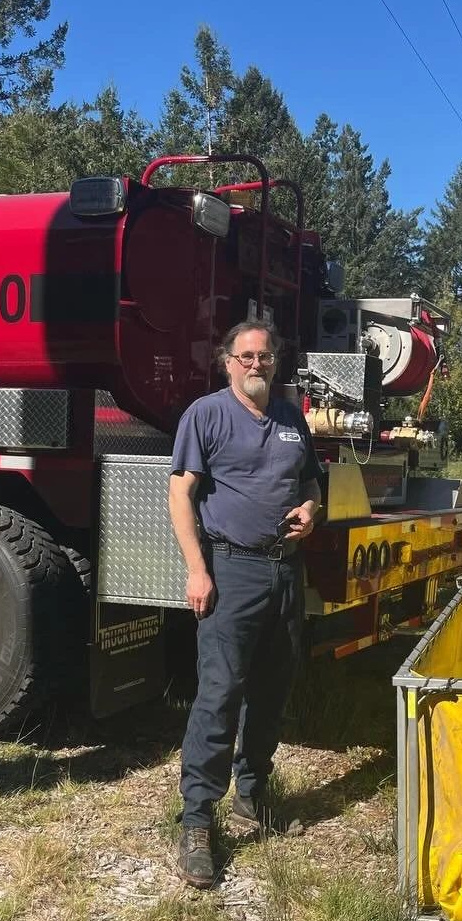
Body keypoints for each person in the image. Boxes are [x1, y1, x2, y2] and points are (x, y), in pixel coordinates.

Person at [167, 319, 324, 889]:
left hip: (285, 571)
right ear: (227, 361)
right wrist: (197, 569)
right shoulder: (205, 415)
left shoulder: (290, 417)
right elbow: (181, 493)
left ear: (274, 362)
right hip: (231, 570)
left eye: (265, 356)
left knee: (273, 688)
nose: (256, 364)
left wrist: (312, 510)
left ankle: (252, 794)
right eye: (246, 356)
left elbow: (311, 483)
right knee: (221, 693)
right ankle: (196, 821)